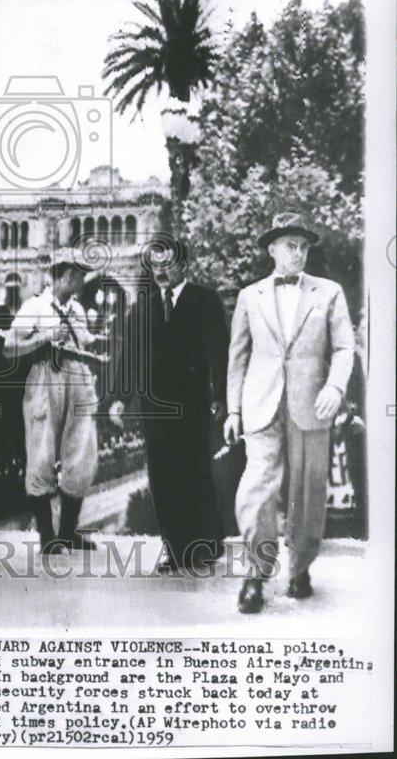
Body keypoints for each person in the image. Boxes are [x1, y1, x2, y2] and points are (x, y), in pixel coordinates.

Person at [224, 213, 355, 614]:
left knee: (307, 490)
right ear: (272, 249)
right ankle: (255, 574)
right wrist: (232, 410)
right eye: (289, 245)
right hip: (261, 405)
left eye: (303, 246)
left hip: (312, 404)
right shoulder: (250, 296)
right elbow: (238, 356)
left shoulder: (329, 293)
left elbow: (344, 348)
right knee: (255, 488)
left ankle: (300, 567)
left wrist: (335, 386)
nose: (297, 253)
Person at [110, 236, 229, 573]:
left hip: (193, 403)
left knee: (195, 469)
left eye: (168, 265)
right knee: (162, 475)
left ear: (183, 266)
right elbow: (129, 357)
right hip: (154, 405)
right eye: (156, 265)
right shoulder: (143, 307)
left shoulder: (204, 301)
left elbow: (219, 351)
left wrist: (220, 394)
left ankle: (206, 542)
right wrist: (120, 398)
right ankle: (174, 547)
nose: (161, 271)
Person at [3, 257, 99, 555]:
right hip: (46, 378)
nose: (83, 283)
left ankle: (68, 532)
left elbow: (83, 341)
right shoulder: (35, 307)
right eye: (79, 277)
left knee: (83, 451)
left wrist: (92, 341)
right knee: (41, 452)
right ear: (67, 276)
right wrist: (45, 337)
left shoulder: (78, 310)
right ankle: (48, 536)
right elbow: (9, 346)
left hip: (77, 378)